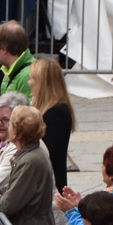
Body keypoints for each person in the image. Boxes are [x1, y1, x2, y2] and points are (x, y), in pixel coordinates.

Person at [31, 57, 75, 193]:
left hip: (50, 187)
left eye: (32, 78)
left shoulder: (56, 112)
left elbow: (50, 154)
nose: (29, 82)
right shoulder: (51, 109)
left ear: (42, 83)